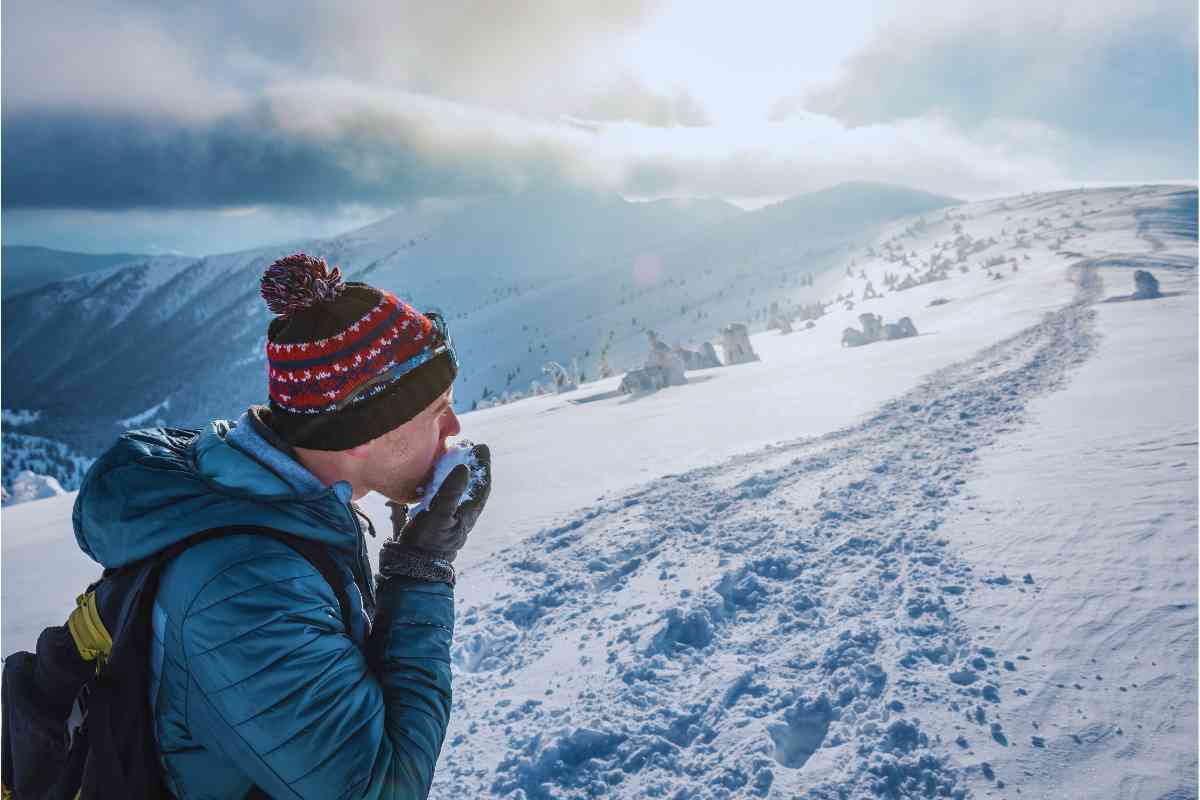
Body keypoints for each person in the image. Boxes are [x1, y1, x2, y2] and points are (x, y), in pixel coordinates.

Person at [70, 252, 491, 799]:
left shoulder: (282, 500)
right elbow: (380, 788)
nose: (454, 427)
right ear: (362, 431)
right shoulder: (247, 587)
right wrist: (422, 572)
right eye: (437, 410)